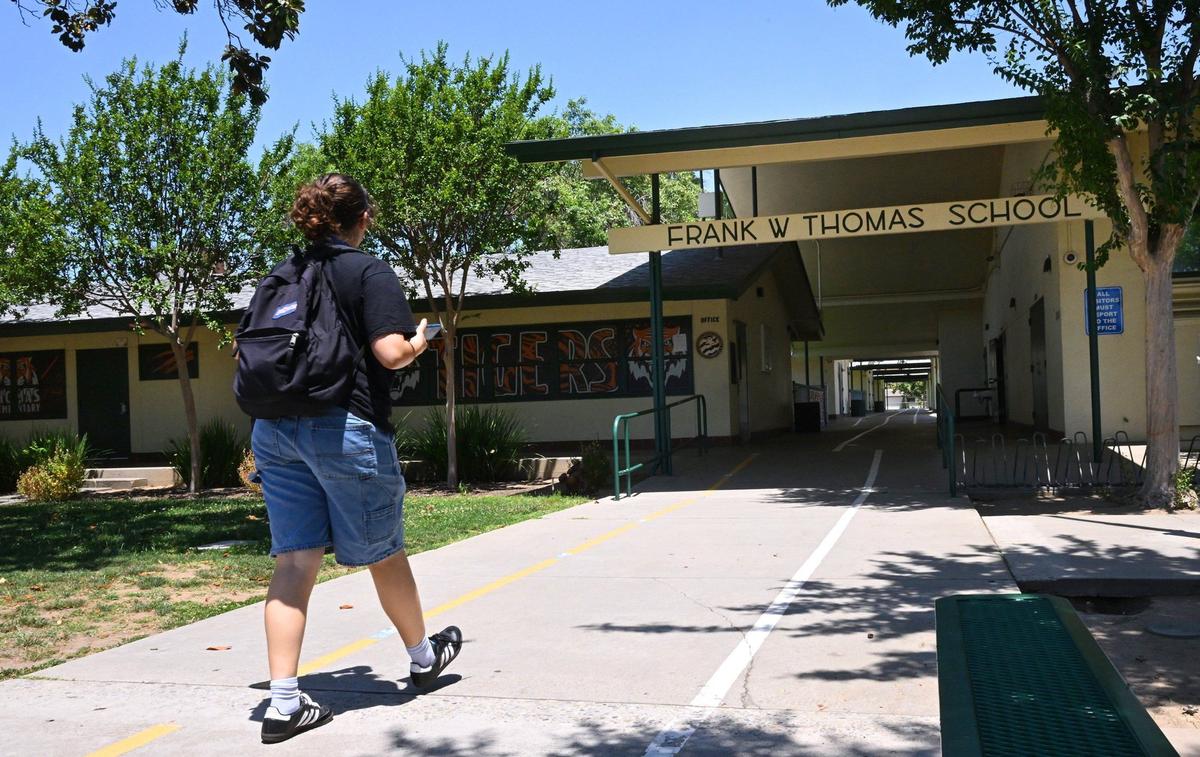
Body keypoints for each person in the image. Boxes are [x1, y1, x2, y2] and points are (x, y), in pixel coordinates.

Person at [252, 173, 461, 744]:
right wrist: (420, 340)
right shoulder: (368, 271)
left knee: (294, 563)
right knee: (383, 553)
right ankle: (423, 658)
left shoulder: (282, 275)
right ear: (362, 218)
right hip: (342, 427)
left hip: (274, 431)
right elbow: (390, 354)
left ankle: (284, 703)